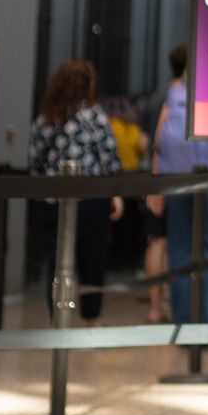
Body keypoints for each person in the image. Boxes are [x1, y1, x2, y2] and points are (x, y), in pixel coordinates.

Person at [28, 59, 124, 320]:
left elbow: (35, 161)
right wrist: (116, 195)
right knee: (92, 261)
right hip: (91, 201)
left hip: (53, 201)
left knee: (55, 261)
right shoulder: (94, 118)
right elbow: (109, 159)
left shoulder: (46, 119)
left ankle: (57, 317)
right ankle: (91, 318)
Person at [152, 46, 208, 327]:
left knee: (181, 249)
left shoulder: (174, 94)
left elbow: (159, 142)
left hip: (178, 180)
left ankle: (184, 323)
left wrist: (157, 184)